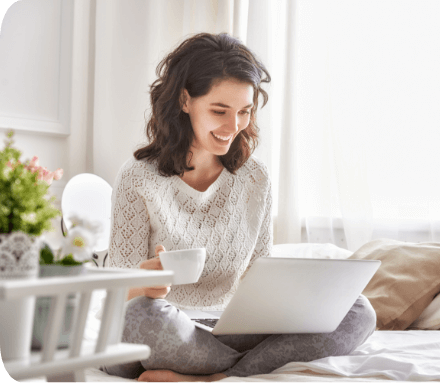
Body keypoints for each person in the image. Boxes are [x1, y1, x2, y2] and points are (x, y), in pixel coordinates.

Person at [102, 32, 376, 382]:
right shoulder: (138, 177)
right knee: (141, 317)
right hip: (157, 327)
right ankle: (245, 369)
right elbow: (119, 295)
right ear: (185, 100)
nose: (233, 127)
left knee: (358, 310)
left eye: (244, 112)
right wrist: (148, 284)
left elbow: (257, 279)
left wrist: (293, 300)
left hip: (226, 329)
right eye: (220, 111)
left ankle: (211, 378)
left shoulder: (255, 179)